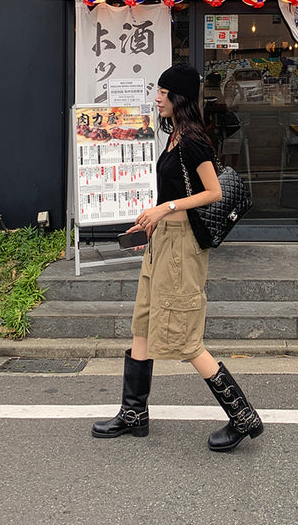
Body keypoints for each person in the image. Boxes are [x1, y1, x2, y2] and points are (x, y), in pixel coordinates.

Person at [91, 63, 263, 452]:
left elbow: (213, 192)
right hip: (163, 241)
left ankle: (242, 416)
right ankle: (133, 413)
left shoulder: (193, 141)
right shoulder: (175, 137)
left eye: (162, 93)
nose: (156, 98)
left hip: (183, 247)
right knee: (144, 323)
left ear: (179, 98)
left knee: (185, 336)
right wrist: (152, 222)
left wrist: (164, 208)